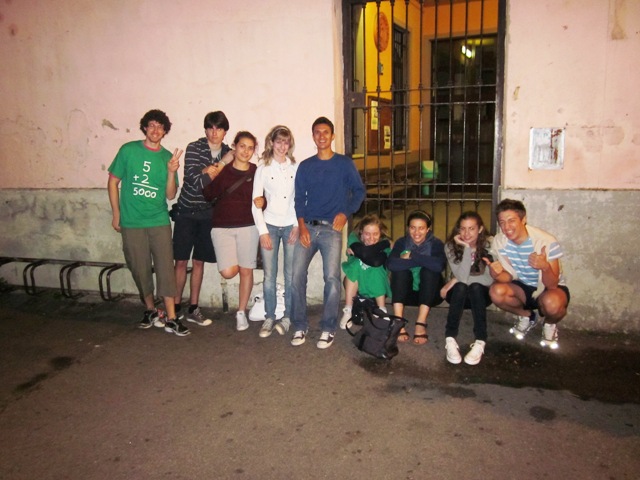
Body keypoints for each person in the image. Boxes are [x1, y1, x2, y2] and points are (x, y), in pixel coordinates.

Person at [107, 109, 190, 336]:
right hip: (132, 221)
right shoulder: (128, 150)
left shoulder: (167, 158)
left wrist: (172, 172)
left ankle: (172, 317)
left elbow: (170, 195)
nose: (156, 130)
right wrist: (116, 214)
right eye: (152, 125)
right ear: (145, 127)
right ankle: (151, 309)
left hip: (158, 220)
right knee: (139, 267)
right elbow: (113, 182)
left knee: (165, 268)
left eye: (160, 127)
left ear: (165, 131)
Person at [290, 116, 365, 349]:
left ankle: (328, 327)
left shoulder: (344, 164)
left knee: (331, 278)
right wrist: (302, 226)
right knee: (296, 276)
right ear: (313, 136)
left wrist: (346, 212)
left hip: (332, 229)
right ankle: (299, 325)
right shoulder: (305, 166)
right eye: (317, 132)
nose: (321, 136)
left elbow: (359, 191)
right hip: (308, 227)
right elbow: (298, 199)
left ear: (332, 136)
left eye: (325, 132)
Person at [172, 111, 233, 327]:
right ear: (205, 130)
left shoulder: (228, 151)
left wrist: (208, 170)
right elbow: (195, 181)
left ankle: (193, 308)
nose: (214, 133)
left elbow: (221, 185)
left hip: (208, 214)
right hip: (186, 211)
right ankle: (174, 308)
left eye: (219, 128)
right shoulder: (194, 148)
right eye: (210, 128)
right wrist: (221, 164)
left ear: (225, 131)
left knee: (199, 261)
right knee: (180, 261)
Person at [485, 199, 570, 349]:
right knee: (496, 291)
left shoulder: (546, 241)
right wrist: (496, 274)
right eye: (502, 222)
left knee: (553, 305)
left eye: (511, 220)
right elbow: (508, 276)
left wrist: (545, 267)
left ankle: (549, 324)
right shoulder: (500, 241)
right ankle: (527, 316)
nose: (506, 227)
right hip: (522, 286)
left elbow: (552, 285)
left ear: (523, 219)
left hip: (547, 288)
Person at [203, 131, 260, 332]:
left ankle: (241, 312)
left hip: (248, 226)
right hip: (222, 227)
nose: (246, 151)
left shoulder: (256, 171)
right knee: (228, 272)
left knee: (246, 270)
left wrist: (263, 202)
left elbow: (264, 197)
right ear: (234, 147)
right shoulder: (224, 171)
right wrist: (210, 173)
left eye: (250, 148)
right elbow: (208, 194)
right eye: (242, 146)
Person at [252, 126, 298, 338]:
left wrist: (297, 225)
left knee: (290, 274)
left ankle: (287, 317)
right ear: (271, 143)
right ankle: (269, 317)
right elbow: (255, 202)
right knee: (269, 275)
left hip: (290, 225)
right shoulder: (263, 168)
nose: (282, 146)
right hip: (269, 225)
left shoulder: (295, 167)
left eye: (285, 142)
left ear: (290, 145)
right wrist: (262, 231)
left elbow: (299, 199)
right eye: (278, 141)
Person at [440, 211, 493, 365]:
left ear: (480, 229)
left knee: (475, 287)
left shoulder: (489, 245)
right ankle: (450, 338)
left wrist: (453, 280)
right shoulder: (450, 246)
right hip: (457, 295)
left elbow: (488, 279)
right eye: (463, 228)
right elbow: (462, 277)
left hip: (481, 295)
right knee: (461, 287)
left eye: (471, 228)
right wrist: (467, 248)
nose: (466, 233)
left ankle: (480, 340)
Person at [387, 210, 446, 345]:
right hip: (406, 295)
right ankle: (398, 320)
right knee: (400, 271)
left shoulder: (436, 243)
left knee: (429, 271)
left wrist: (412, 256)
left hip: (431, 295)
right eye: (413, 228)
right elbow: (391, 264)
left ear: (428, 229)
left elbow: (439, 266)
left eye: (421, 228)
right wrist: (424, 260)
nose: (416, 232)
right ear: (408, 228)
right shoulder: (402, 242)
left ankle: (421, 322)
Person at [339, 214, 392, 329]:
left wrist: (361, 252)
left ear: (380, 233)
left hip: (378, 286)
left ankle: (382, 309)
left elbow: (376, 262)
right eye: (367, 234)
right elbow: (365, 253)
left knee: (375, 267)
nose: (371, 238)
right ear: (361, 232)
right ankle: (348, 310)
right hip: (355, 285)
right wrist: (379, 247)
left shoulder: (384, 241)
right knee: (356, 265)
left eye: (375, 234)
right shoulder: (354, 237)